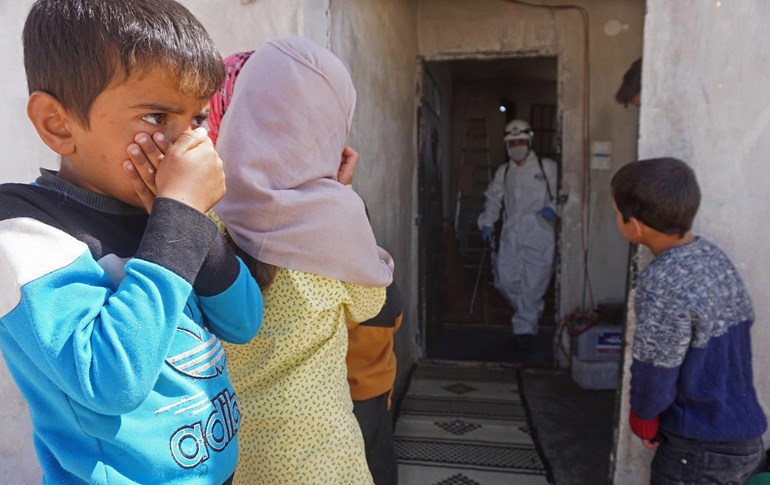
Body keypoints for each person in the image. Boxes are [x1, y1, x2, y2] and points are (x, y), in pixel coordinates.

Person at [0, 1, 264, 484]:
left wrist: (187, 221)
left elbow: (244, 321)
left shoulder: (165, 214)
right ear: (58, 124)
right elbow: (110, 381)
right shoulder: (26, 230)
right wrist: (178, 217)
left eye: (199, 119)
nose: (187, 145)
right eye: (157, 116)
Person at [209, 38, 394, 484]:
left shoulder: (202, 209)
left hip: (228, 455)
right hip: (319, 459)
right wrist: (338, 193)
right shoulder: (334, 222)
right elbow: (370, 305)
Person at [611, 157, 767, 484]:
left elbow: (656, 366)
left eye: (616, 212)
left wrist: (644, 417)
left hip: (699, 448)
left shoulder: (662, 281)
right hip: (743, 436)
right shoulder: (712, 257)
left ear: (634, 225)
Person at [477, 119, 557, 350]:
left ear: (529, 142)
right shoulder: (505, 171)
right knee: (505, 279)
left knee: (533, 285)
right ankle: (528, 311)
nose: (517, 147)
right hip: (511, 234)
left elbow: (564, 194)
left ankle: (525, 330)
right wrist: (487, 223)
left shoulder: (546, 167)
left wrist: (553, 209)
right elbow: (493, 199)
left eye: (521, 142)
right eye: (512, 143)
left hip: (539, 234)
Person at [347, 269, 403, 485]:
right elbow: (397, 318)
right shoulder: (382, 283)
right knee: (379, 459)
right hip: (378, 389)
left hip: (338, 394)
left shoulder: (331, 285)